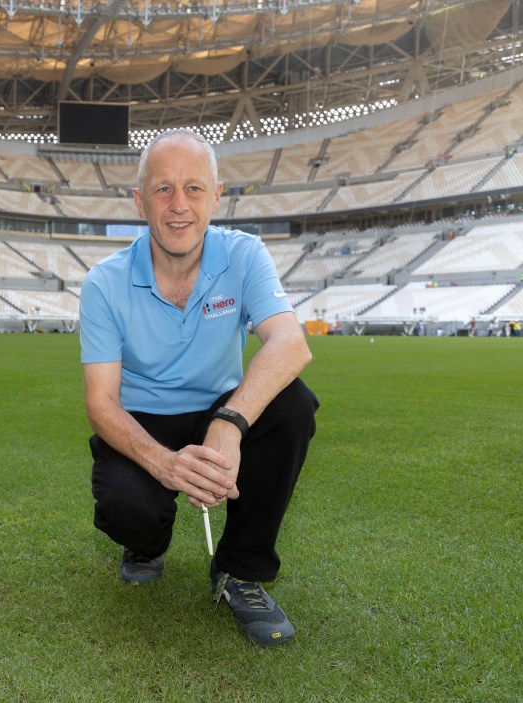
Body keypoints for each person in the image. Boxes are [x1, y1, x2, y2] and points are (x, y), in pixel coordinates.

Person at [79, 129, 319, 647]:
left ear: (217, 195)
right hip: (143, 420)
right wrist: (164, 464)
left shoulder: (245, 254)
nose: (178, 205)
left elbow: (291, 344)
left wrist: (229, 423)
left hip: (220, 407)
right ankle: (145, 544)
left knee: (293, 405)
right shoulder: (104, 281)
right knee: (128, 510)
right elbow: (100, 402)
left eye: (193, 188)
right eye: (163, 190)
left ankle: (240, 570)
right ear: (140, 201)